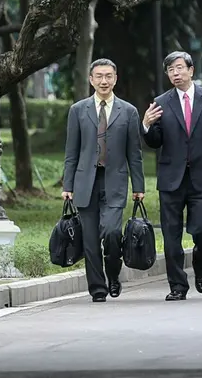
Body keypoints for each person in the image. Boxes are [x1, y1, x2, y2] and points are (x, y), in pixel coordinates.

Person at [141, 51, 202, 301]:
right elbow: (155, 142)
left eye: (180, 68)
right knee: (171, 236)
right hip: (171, 178)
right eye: (171, 70)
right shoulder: (161, 102)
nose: (176, 73)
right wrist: (147, 125)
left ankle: (201, 269)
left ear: (191, 70)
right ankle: (177, 285)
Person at [61, 58, 145, 303]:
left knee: (111, 232)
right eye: (99, 76)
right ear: (91, 79)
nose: (103, 81)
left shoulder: (128, 111)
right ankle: (97, 289)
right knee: (89, 241)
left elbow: (135, 154)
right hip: (85, 183)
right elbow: (71, 152)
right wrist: (68, 185)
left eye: (108, 76)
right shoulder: (78, 110)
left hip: (115, 182)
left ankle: (113, 275)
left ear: (115, 79)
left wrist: (138, 186)